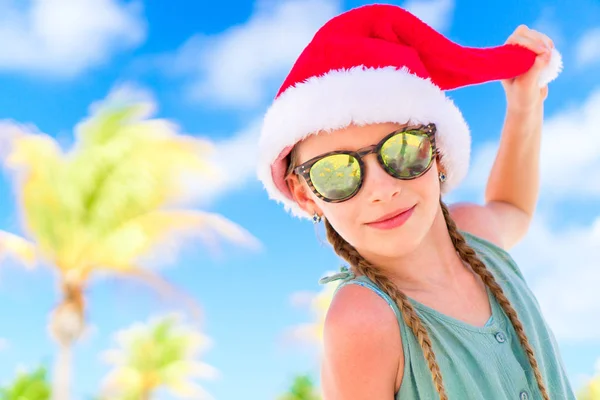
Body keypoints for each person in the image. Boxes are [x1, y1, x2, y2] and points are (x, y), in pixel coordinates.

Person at [256, 4, 574, 400]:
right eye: (336, 173)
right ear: (306, 195)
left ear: (437, 153)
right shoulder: (363, 319)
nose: (381, 189)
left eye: (403, 151)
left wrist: (525, 106)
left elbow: (512, 207)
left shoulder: (476, 232)